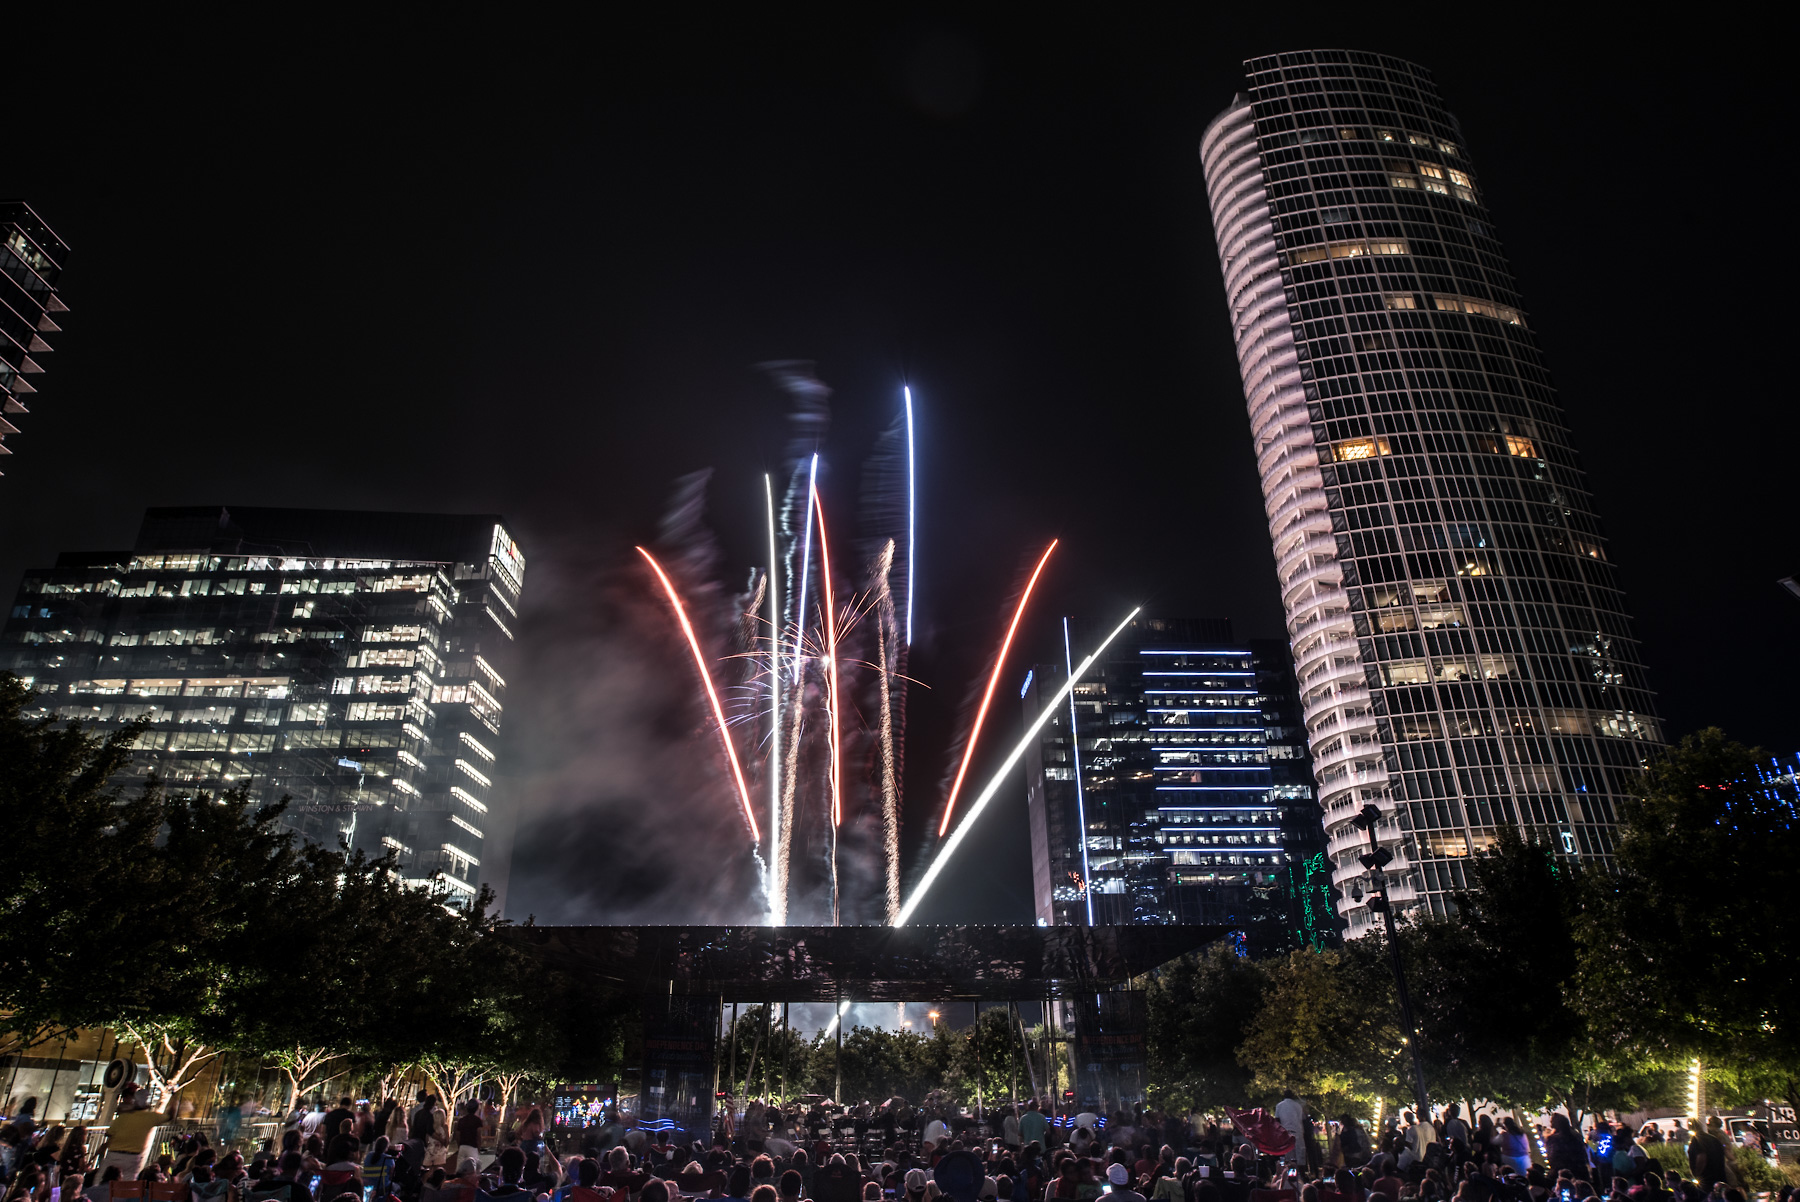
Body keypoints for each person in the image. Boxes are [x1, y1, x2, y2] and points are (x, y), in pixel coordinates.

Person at [100, 1085, 172, 1181]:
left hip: (115, 1155)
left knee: (102, 1180)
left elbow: (109, 1134)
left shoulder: (122, 1118)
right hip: (133, 1157)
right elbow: (169, 1116)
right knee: (128, 1184)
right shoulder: (149, 1117)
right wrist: (173, 1096)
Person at [1686, 1121, 1727, 1194]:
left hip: (1707, 1179)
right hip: (1720, 1175)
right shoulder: (1714, 1139)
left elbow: (1701, 1157)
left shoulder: (1696, 1139)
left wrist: (1697, 1173)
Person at [1276, 1095, 1306, 1170]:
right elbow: (1302, 1119)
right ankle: (1300, 1175)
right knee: (1299, 1157)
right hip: (1298, 1132)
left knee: (1288, 1158)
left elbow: (1277, 1120)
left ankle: (1288, 1175)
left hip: (1286, 1133)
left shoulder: (1280, 1105)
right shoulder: (1298, 1106)